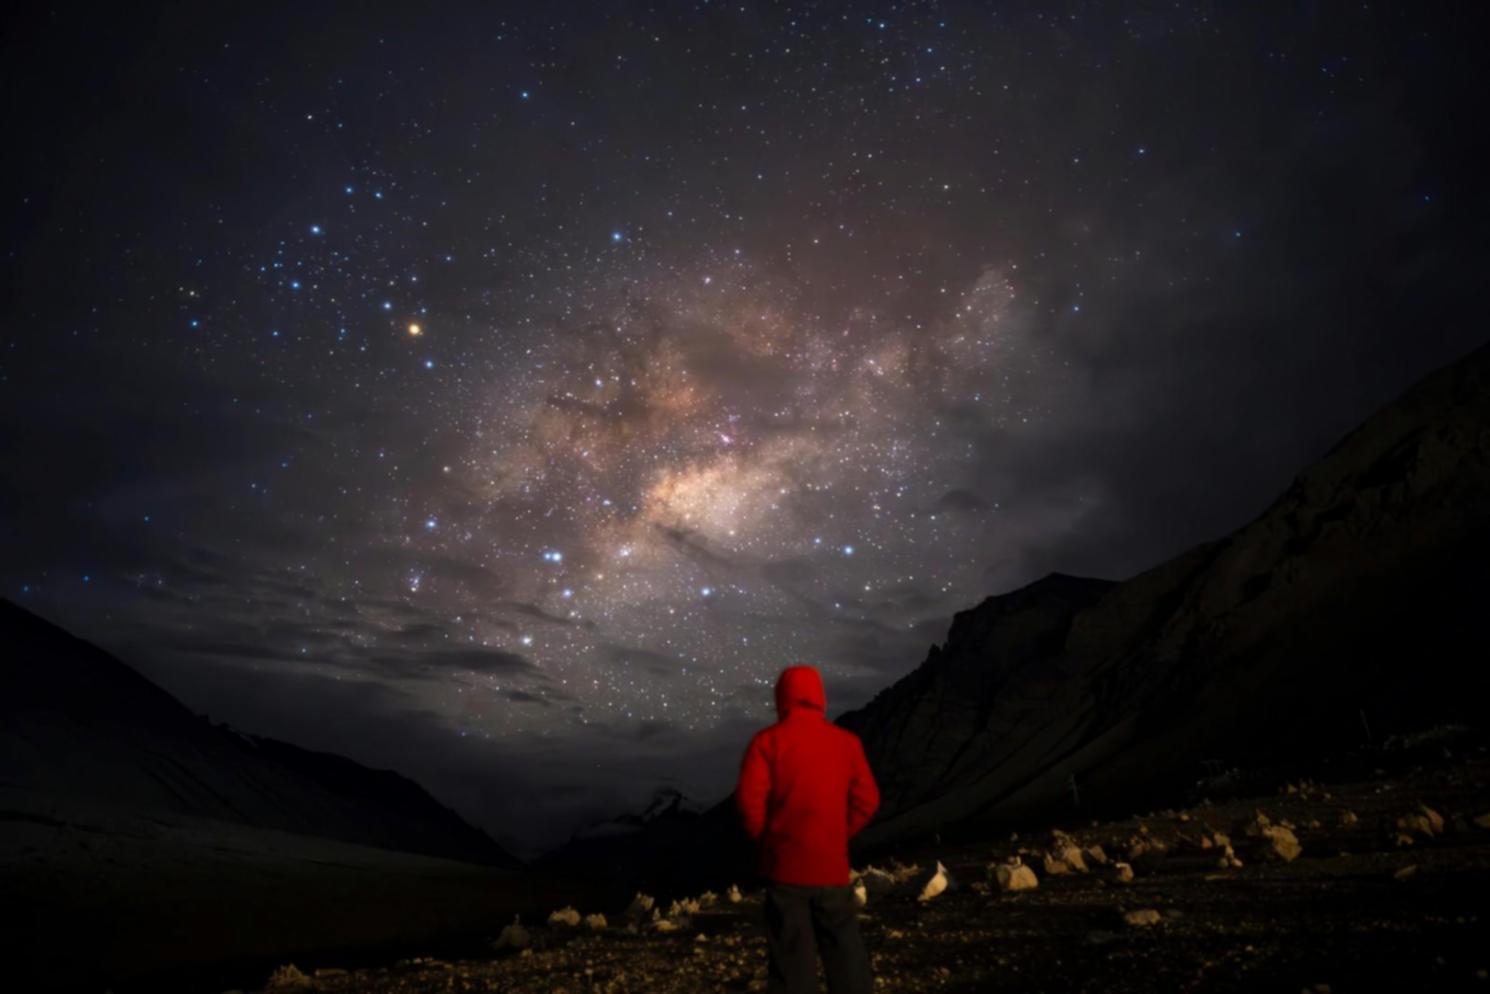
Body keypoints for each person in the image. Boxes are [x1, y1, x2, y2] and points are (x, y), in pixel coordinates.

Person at [735, 664, 880, 994]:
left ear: (781, 699)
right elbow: (868, 800)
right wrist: (837, 835)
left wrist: (770, 842)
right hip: (830, 868)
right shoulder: (846, 743)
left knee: (791, 964)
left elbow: (749, 803)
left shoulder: (767, 743)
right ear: (820, 698)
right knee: (846, 956)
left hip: (785, 871)